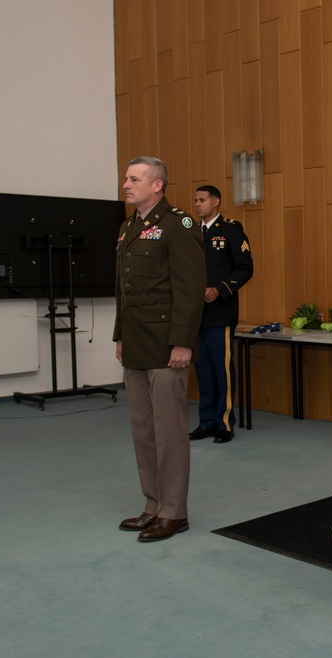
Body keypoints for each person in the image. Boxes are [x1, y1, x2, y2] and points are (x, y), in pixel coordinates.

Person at [113, 157, 206, 542]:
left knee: (169, 432)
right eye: (126, 178)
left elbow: (190, 287)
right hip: (136, 342)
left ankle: (174, 512)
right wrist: (119, 335)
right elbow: (124, 288)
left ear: (157, 185)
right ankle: (152, 506)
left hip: (168, 346)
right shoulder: (128, 227)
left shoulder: (178, 225)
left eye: (134, 179)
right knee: (144, 431)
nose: (126, 184)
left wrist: (183, 341)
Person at [189, 185, 253, 444]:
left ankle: (225, 423)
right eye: (195, 200)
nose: (197, 205)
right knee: (203, 371)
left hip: (220, 313)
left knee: (222, 369)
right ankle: (206, 423)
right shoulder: (192, 232)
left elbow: (245, 268)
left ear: (216, 202)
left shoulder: (231, 230)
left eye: (202, 200)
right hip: (196, 314)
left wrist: (220, 290)